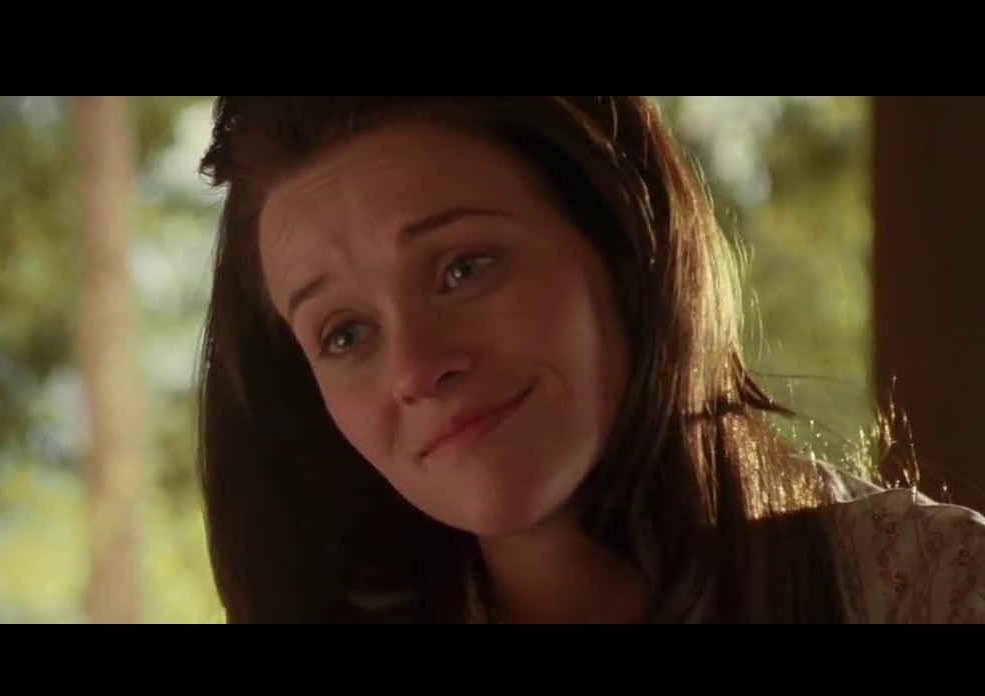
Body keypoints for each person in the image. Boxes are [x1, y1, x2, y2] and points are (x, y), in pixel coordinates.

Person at [193, 96, 985, 623]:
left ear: (621, 241)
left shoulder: (931, 589)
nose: (416, 369)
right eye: (344, 334)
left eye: (465, 268)